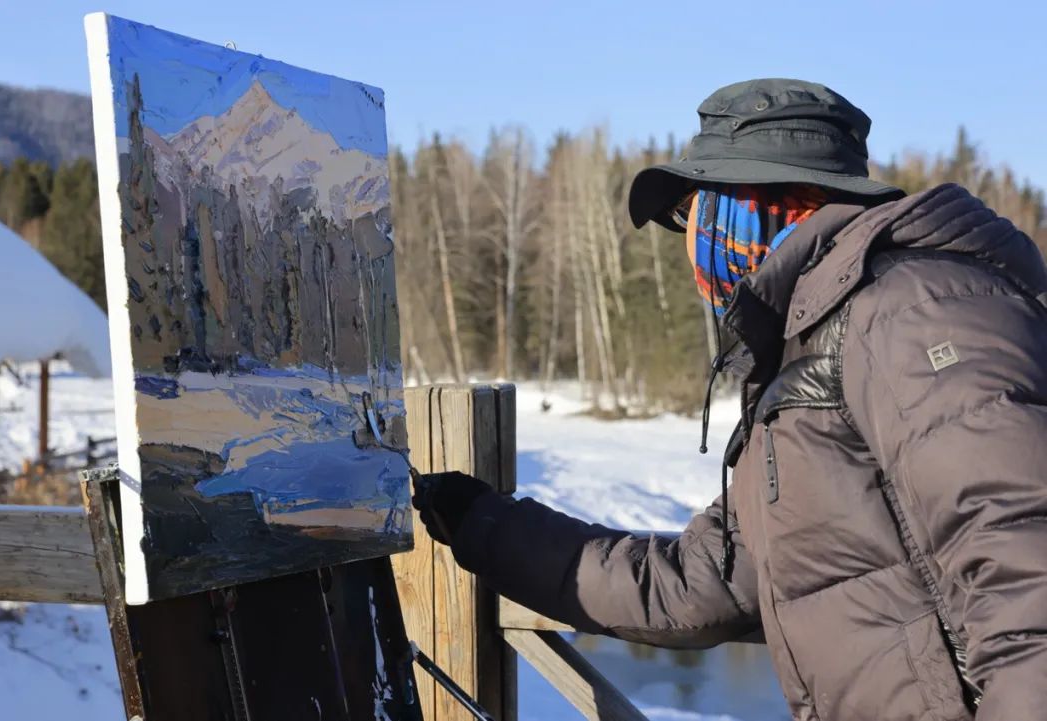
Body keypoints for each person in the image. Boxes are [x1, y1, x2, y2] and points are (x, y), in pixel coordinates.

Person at [413, 79, 1047, 721]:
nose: (692, 237)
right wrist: (484, 527)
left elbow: (1025, 579)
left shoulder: (918, 310)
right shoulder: (807, 353)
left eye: (697, 209)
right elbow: (693, 583)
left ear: (764, 201)